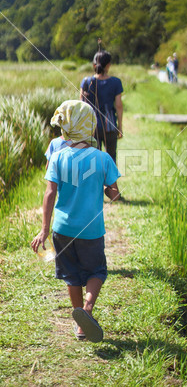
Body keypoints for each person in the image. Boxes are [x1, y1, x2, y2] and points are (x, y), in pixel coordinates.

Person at [31, 100, 121, 343]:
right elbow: (114, 194)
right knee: (96, 271)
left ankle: (80, 328)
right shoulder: (102, 159)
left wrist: (43, 231)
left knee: (71, 276)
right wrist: (108, 191)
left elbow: (49, 194)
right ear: (90, 127)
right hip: (91, 230)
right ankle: (88, 310)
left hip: (62, 229)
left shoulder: (58, 157)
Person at [80, 50, 123, 165]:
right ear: (108, 65)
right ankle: (110, 183)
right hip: (109, 125)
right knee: (111, 158)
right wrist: (120, 127)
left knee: (94, 160)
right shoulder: (116, 82)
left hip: (91, 127)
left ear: (94, 65)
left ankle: (96, 182)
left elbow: (81, 105)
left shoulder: (85, 82)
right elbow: (118, 106)